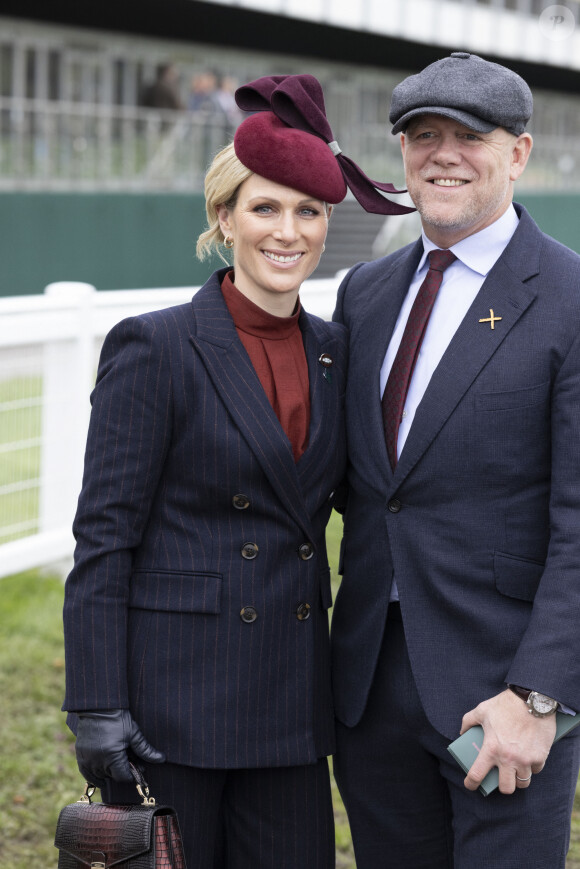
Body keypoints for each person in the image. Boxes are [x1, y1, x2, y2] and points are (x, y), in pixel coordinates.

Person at [61, 73, 408, 868]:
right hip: (169, 704)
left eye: (309, 211)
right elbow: (104, 539)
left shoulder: (337, 351)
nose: (288, 232)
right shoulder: (155, 346)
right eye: (265, 207)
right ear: (224, 218)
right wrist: (96, 706)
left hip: (290, 704)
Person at [331, 51, 580, 868]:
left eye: (469, 136)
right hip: (370, 687)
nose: (442, 154)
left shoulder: (570, 300)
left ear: (518, 153)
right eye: (422, 134)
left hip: (501, 692)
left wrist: (541, 696)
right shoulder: (364, 292)